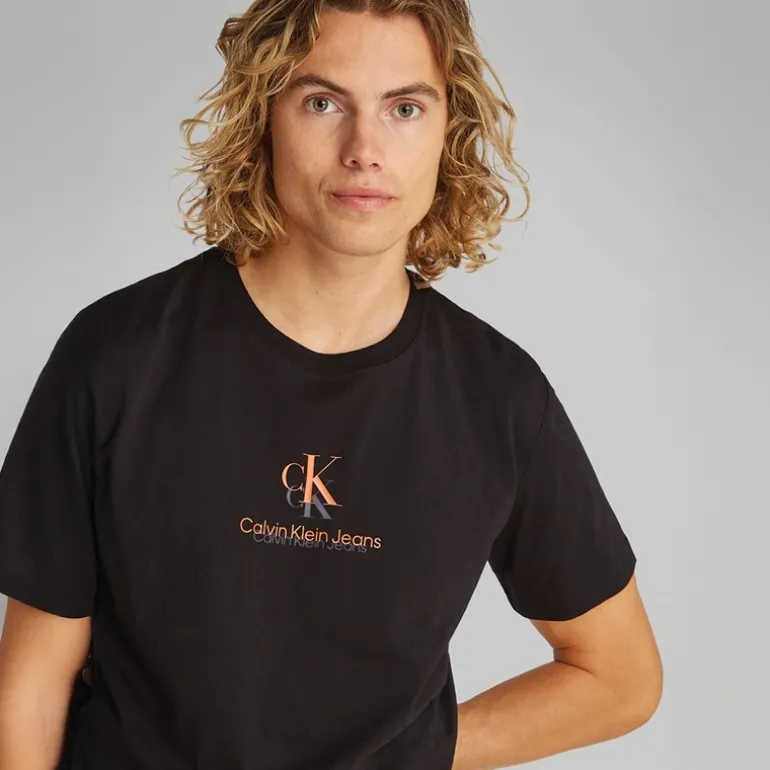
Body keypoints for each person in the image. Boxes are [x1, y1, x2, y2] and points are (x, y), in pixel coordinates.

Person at [0, 1, 663, 768]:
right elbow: (32, 688)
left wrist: (411, 755)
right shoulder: (118, 354)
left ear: (448, 133)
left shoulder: (498, 400)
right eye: (323, 103)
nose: (364, 150)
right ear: (263, 117)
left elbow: (620, 677)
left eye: (405, 108)